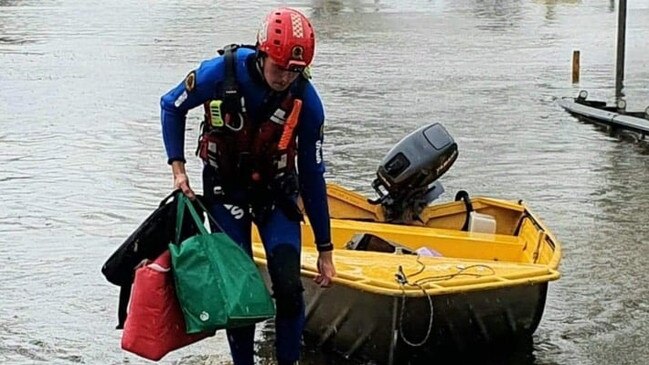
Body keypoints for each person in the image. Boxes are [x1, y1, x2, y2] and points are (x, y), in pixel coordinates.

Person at [159, 7, 336, 365]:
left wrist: (325, 248)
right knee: (237, 292)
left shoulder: (308, 102)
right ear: (262, 52)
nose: (285, 76)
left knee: (288, 290)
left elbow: (314, 177)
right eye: (280, 66)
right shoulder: (218, 73)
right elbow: (171, 106)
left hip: (276, 193)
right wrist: (178, 170)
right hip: (226, 192)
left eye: (295, 70)